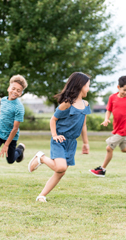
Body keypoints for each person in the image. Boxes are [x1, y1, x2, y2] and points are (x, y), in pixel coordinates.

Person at [28, 72, 91, 202]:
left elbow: (83, 125)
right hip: (60, 140)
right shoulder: (67, 103)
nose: (89, 89)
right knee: (60, 167)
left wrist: (85, 143)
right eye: (88, 86)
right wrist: (55, 135)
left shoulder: (86, 104)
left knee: (60, 172)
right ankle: (41, 157)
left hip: (72, 143)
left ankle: (42, 195)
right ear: (80, 86)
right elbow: (53, 119)